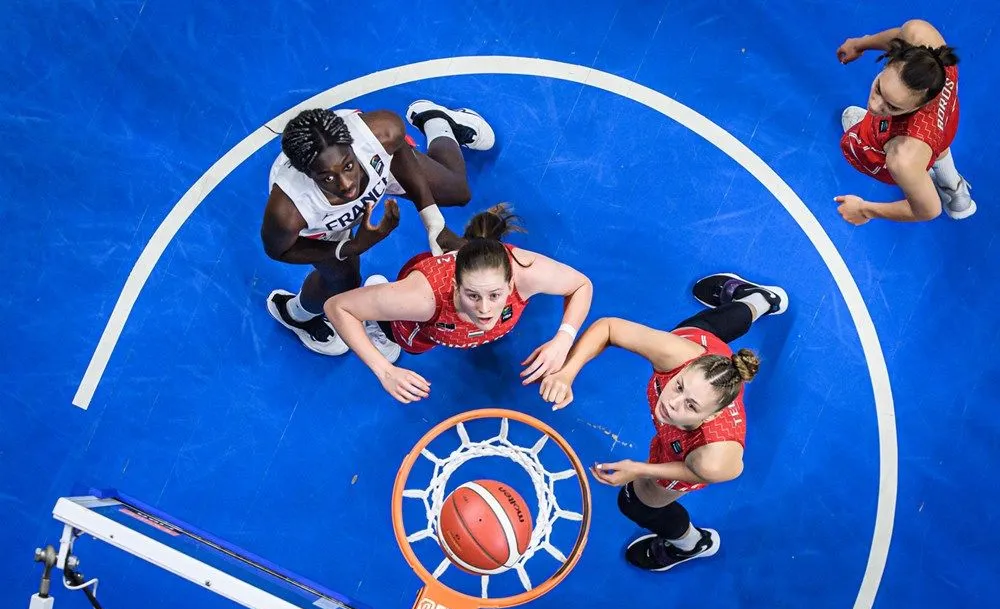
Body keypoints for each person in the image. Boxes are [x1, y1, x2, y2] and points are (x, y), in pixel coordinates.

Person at [537, 273, 788, 572]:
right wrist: (567, 372)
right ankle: (760, 300)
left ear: (708, 416)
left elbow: (712, 471)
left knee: (636, 502)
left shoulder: (714, 454)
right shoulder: (677, 354)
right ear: (687, 367)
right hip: (700, 349)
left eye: (690, 405)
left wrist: (638, 469)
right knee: (699, 328)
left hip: (685, 454)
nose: (671, 402)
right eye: (679, 387)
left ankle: (691, 544)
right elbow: (608, 328)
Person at [261, 101, 495, 356]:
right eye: (327, 177)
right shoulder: (289, 211)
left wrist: (433, 221)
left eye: (348, 166)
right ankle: (296, 314)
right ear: (308, 174)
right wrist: (351, 247)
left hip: (376, 174)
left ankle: (437, 121)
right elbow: (279, 251)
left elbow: (400, 152)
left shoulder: (382, 130)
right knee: (343, 283)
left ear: (351, 146)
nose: (347, 184)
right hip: (324, 224)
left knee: (457, 191)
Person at [324, 204, 593, 403]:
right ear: (456, 287)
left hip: (447, 323)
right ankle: (379, 311)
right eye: (473, 295)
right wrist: (385, 371)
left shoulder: (527, 273)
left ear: (511, 285)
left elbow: (582, 285)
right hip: (414, 322)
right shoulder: (423, 299)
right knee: (402, 341)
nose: (485, 309)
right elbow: (337, 307)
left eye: (495, 295)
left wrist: (564, 339)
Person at [835, 19, 975, 224]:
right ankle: (955, 191)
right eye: (879, 89)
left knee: (906, 167)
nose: (874, 106)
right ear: (891, 60)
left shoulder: (903, 158)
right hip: (946, 122)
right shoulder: (922, 35)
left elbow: (928, 210)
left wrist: (865, 210)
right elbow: (899, 38)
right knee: (938, 145)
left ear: (920, 106)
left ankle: (877, 140)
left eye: (892, 107)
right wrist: (860, 43)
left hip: (912, 144)